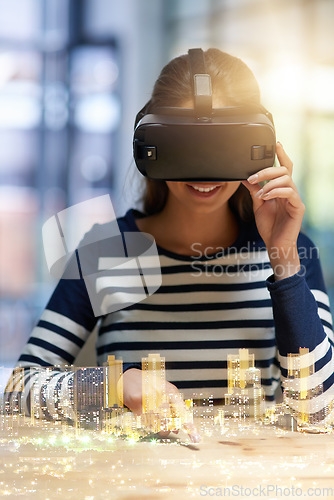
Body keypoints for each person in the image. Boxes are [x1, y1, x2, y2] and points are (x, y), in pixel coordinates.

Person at [7, 48, 334, 431]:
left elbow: (319, 414)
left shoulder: (290, 251)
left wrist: (283, 260)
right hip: (136, 487)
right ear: (152, 145)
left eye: (223, 146)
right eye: (186, 145)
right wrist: (117, 385)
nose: (203, 170)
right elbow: (17, 392)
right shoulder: (113, 252)